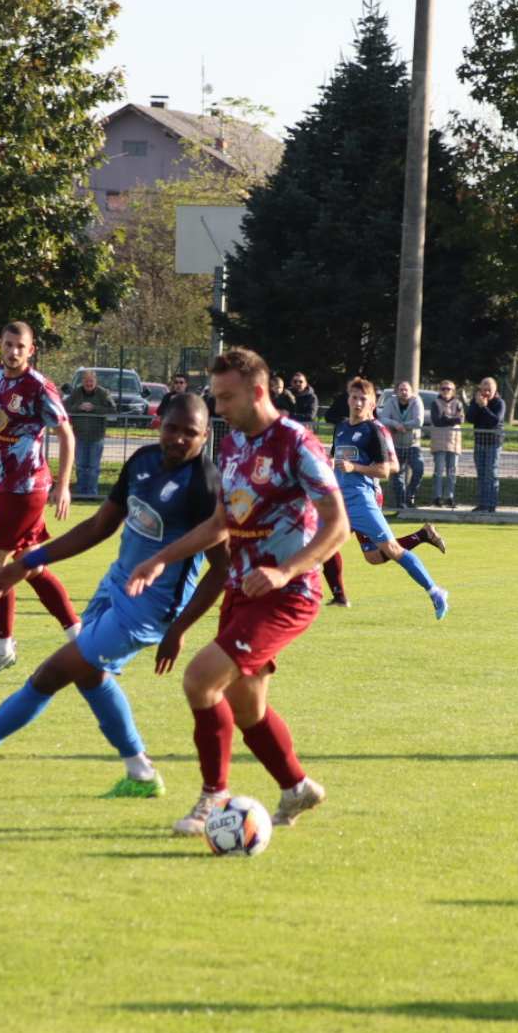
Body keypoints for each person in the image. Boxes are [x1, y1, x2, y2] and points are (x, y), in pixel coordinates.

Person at [0, 395, 229, 798]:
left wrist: (178, 628)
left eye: (190, 433)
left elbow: (223, 568)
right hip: (114, 586)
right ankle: (140, 774)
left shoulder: (205, 486)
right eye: (172, 428)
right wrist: (28, 561)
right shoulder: (142, 461)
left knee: (51, 674)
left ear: (205, 434)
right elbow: (97, 528)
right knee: (91, 676)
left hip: (151, 609)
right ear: (158, 423)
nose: (178, 439)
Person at [125, 347, 348, 835]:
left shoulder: (297, 444)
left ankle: (212, 798)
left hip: (288, 594)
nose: (218, 408)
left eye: (226, 398)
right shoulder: (232, 447)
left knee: (200, 680)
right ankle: (296, 787)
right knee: (248, 706)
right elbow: (221, 524)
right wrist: (160, 558)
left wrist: (285, 571)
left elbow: (338, 526)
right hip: (242, 591)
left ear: (258, 391)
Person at [0, 321, 81, 681]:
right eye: (8, 344)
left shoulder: (39, 386)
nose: (13, 351)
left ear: (30, 350)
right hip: (4, 483)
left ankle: (2, 646)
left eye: (21, 346)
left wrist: (63, 485)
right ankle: (80, 638)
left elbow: (66, 432)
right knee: (30, 566)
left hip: (28, 487)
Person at [330, 378, 449, 615]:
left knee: (391, 550)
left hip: (362, 501)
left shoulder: (373, 431)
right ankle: (310, 597)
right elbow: (334, 461)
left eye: (363, 399)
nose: (358, 402)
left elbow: (385, 470)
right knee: (319, 546)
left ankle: (435, 591)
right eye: (354, 397)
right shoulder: (341, 427)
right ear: (348, 399)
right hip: (338, 502)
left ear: (373, 403)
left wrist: (356, 468)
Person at [377, 380, 426, 511]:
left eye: (406, 390)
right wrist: (395, 424)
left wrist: (403, 426)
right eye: (401, 390)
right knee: (397, 475)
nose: (404, 392)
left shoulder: (416, 401)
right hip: (395, 445)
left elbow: (418, 421)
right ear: (397, 391)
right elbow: (382, 418)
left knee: (419, 469)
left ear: (411, 391)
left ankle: (410, 495)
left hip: (412, 444)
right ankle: (401, 504)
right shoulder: (390, 402)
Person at [66, 369, 114, 497]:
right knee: (81, 466)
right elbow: (65, 407)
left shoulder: (103, 393)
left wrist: (94, 408)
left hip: (96, 436)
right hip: (79, 435)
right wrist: (79, 407)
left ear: (95, 381)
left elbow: (112, 410)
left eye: (91, 381)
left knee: (93, 467)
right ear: (82, 381)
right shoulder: (76, 393)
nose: (89, 384)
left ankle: (92, 494)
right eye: (86, 381)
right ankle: (81, 493)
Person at [466, 377, 505, 513]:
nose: (486, 392)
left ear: (495, 390)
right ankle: (482, 504)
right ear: (480, 389)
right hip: (479, 443)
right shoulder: (476, 401)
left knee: (491, 474)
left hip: (493, 444)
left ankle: (491, 505)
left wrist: (484, 406)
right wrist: (477, 405)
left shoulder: (499, 403)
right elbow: (470, 418)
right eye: (484, 389)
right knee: (481, 474)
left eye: (489, 390)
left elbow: (494, 421)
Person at [428, 380, 463, 507]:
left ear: (453, 391)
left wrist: (446, 418)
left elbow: (461, 419)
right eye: (443, 388)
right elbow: (437, 421)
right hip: (439, 443)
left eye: (448, 389)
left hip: (454, 442)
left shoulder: (458, 403)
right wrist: (452, 420)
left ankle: (449, 497)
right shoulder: (435, 403)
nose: (445, 391)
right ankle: (437, 497)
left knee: (452, 472)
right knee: (438, 472)